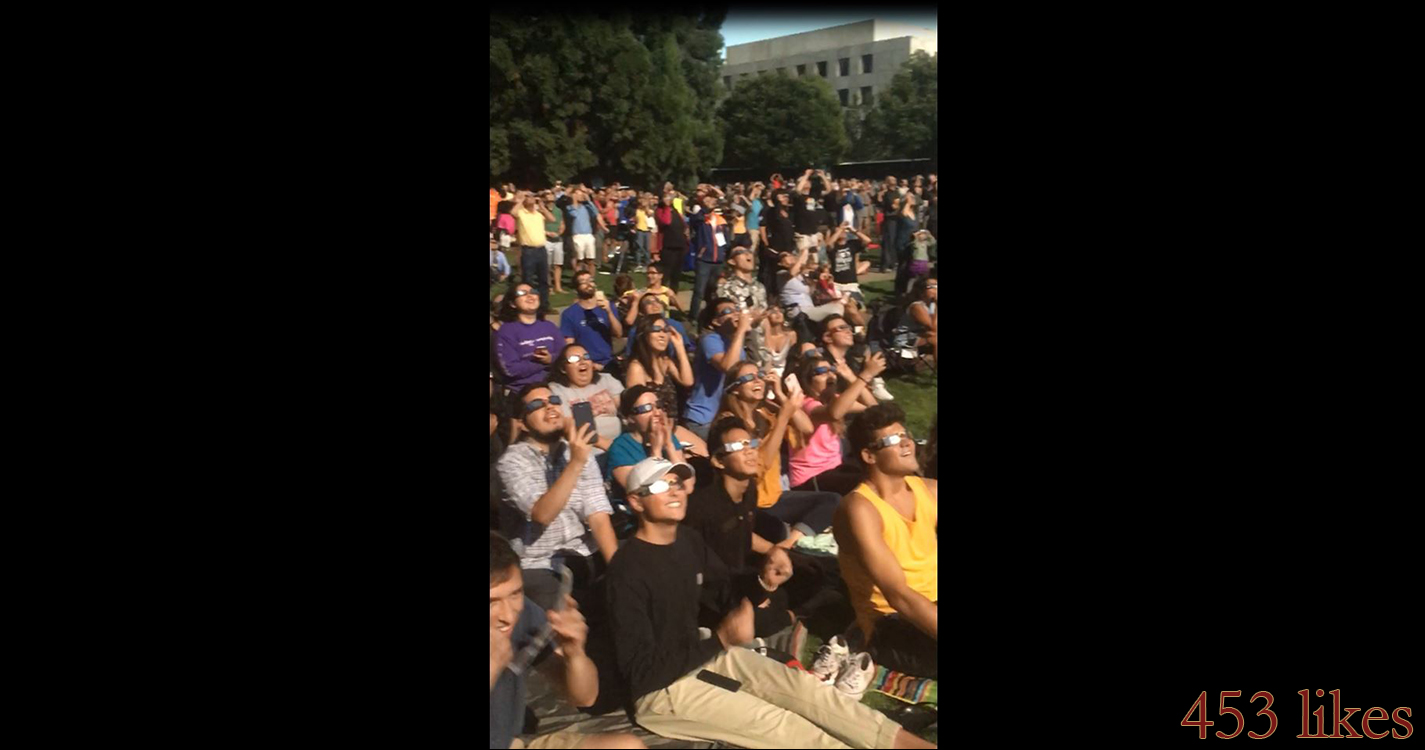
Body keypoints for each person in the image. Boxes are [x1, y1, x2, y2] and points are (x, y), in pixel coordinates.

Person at [605, 457, 935, 749]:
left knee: (806, 691)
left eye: (677, 482)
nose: (675, 491)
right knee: (784, 726)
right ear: (636, 501)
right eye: (662, 485)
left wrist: (765, 582)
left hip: (702, 652)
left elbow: (725, 595)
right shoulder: (627, 571)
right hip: (662, 690)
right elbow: (641, 673)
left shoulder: (688, 542)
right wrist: (721, 639)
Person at [491, 532, 648, 750]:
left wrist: (575, 653)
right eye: (492, 602)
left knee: (627, 746)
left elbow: (585, 697)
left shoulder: (524, 612)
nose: (508, 615)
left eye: (515, 594)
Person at [834, 404, 938, 679]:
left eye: (906, 435)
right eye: (893, 440)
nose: (907, 443)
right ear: (869, 455)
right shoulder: (860, 509)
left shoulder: (929, 490)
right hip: (891, 623)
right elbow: (899, 596)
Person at [496, 384, 618, 612]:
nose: (549, 407)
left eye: (553, 400)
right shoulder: (511, 463)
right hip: (540, 562)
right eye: (537, 405)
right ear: (521, 423)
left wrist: (622, 571)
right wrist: (576, 463)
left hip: (584, 553)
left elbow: (598, 517)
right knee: (554, 603)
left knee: (641, 562)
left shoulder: (576, 451)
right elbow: (542, 514)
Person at [683, 418, 799, 646]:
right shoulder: (702, 507)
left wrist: (774, 551)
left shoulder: (749, 490)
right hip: (709, 590)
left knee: (809, 573)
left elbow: (744, 534)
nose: (749, 452)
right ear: (718, 461)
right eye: (737, 447)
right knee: (767, 610)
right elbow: (701, 569)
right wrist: (756, 591)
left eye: (751, 444)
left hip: (739, 574)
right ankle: (785, 618)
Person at [714, 363, 841, 551]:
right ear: (734, 390)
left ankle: (789, 545)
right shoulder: (729, 424)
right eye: (749, 378)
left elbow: (806, 428)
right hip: (750, 504)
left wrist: (781, 397)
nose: (757, 380)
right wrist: (782, 419)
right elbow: (759, 466)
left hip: (774, 497)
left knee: (832, 500)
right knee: (777, 528)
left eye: (759, 376)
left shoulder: (765, 412)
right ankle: (787, 546)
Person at [788, 351, 889, 496]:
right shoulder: (805, 404)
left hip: (835, 470)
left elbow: (873, 408)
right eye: (822, 371)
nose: (830, 376)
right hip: (810, 479)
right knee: (867, 484)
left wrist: (850, 376)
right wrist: (864, 376)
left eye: (832, 371)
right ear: (808, 380)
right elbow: (834, 414)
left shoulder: (835, 400)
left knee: (879, 469)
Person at [608, 385, 706, 490]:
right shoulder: (620, 448)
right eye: (647, 408)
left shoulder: (669, 438)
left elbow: (688, 486)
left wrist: (669, 446)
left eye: (658, 406)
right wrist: (656, 451)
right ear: (630, 418)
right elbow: (643, 492)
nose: (657, 413)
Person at [683, 298, 753, 442]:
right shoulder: (710, 339)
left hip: (723, 417)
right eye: (727, 311)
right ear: (715, 321)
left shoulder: (735, 344)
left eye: (736, 310)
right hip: (703, 419)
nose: (735, 314)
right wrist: (741, 331)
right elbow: (728, 367)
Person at [548, 343, 625, 472]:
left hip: (620, 444)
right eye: (574, 359)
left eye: (586, 357)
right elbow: (570, 426)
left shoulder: (606, 380)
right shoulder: (557, 390)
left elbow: (626, 408)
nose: (582, 361)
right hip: (591, 455)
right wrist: (612, 447)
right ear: (563, 368)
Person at [623, 315, 694, 425]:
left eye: (666, 330)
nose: (662, 335)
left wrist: (679, 347)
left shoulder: (666, 362)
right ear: (644, 335)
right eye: (656, 330)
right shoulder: (637, 367)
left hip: (673, 425)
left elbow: (688, 381)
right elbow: (638, 409)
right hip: (653, 428)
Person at [495, 282, 563, 390]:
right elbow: (510, 369)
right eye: (522, 293)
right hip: (523, 390)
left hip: (554, 386)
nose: (530, 295)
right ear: (512, 303)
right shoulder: (507, 331)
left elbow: (564, 355)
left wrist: (551, 359)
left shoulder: (549, 326)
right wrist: (542, 363)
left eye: (533, 292)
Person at [819, 314, 891, 404]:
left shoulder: (852, 363)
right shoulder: (822, 364)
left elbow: (871, 404)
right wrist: (867, 374)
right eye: (841, 328)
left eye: (848, 327)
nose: (848, 331)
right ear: (828, 337)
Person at [559, 270, 622, 370]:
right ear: (576, 289)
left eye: (590, 280)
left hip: (608, 362)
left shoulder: (608, 306)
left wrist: (609, 312)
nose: (588, 284)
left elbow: (618, 334)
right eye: (583, 282)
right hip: (586, 364)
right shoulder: (569, 314)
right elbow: (569, 345)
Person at [685, 191, 731, 325]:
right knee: (699, 290)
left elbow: (724, 238)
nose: (711, 202)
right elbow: (695, 220)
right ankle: (693, 317)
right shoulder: (700, 218)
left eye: (712, 200)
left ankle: (712, 314)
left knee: (713, 289)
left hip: (718, 260)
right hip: (704, 259)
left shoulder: (720, 220)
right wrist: (704, 208)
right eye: (708, 200)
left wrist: (725, 250)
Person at [778, 247, 848, 324]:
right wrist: (805, 251)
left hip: (810, 309)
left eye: (790, 254)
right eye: (785, 256)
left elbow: (808, 272)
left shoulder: (800, 276)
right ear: (780, 263)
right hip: (798, 312)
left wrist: (823, 278)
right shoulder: (781, 274)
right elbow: (793, 272)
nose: (789, 256)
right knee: (837, 307)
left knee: (842, 304)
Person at [513, 191, 557, 306]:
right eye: (528, 197)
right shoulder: (522, 213)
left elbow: (552, 219)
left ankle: (544, 304)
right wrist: (522, 199)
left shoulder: (538, 214)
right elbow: (513, 212)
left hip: (541, 250)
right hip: (528, 251)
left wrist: (542, 206)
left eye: (532, 196)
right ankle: (527, 303)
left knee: (543, 279)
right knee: (528, 279)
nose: (531, 198)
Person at [621, 293, 694, 360]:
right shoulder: (636, 330)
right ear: (641, 312)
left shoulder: (675, 325)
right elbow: (630, 356)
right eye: (648, 303)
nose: (654, 304)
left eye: (657, 301)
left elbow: (686, 351)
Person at [759, 189, 796, 296]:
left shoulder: (788, 211)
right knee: (772, 273)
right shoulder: (770, 211)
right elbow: (762, 227)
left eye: (786, 196)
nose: (785, 198)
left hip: (788, 247)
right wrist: (766, 243)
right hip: (775, 247)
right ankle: (771, 294)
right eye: (782, 196)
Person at [567, 188, 608, 277]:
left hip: (588, 235)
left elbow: (596, 213)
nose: (581, 196)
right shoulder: (569, 207)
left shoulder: (587, 207)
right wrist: (574, 200)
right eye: (579, 194)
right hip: (578, 236)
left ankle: (591, 279)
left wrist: (588, 200)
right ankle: (579, 279)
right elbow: (574, 214)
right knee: (579, 260)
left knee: (591, 260)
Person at [654, 195, 688, 293]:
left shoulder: (676, 210)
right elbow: (666, 221)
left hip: (680, 245)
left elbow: (683, 224)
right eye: (666, 197)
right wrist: (666, 207)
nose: (668, 199)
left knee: (677, 273)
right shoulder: (660, 210)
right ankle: (662, 293)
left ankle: (674, 293)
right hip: (668, 245)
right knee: (666, 272)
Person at [750, 304, 797, 376]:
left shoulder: (791, 335)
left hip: (787, 372)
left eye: (780, 311)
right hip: (768, 372)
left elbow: (793, 359)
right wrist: (766, 327)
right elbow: (766, 358)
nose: (778, 314)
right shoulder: (763, 337)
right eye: (773, 312)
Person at [542, 189, 568, 295]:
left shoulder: (559, 210)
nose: (550, 196)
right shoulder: (541, 211)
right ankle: (549, 287)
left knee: (558, 264)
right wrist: (547, 233)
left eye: (551, 194)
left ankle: (558, 286)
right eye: (547, 194)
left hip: (558, 240)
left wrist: (560, 232)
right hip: (546, 239)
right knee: (547, 265)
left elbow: (562, 223)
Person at [904, 275, 938, 349]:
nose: (936, 289)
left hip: (922, 335)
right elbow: (933, 327)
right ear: (921, 292)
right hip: (906, 339)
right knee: (935, 338)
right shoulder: (916, 306)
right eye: (932, 287)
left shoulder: (932, 305)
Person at [877, 177, 900, 273]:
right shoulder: (886, 194)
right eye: (891, 180)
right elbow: (893, 206)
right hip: (889, 219)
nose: (893, 182)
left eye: (894, 180)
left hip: (897, 218)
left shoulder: (896, 192)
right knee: (888, 241)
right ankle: (886, 264)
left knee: (894, 241)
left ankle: (893, 262)